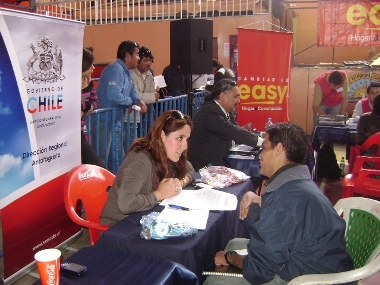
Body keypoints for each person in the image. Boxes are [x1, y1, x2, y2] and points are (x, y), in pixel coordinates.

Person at [204, 122, 353, 285]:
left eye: (265, 147)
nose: (260, 155)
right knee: (234, 242)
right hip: (317, 265)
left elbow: (258, 271)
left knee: (213, 281)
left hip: (307, 279)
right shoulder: (297, 185)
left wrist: (229, 257)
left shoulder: (286, 200)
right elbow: (271, 231)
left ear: (279, 149)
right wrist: (252, 198)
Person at [100, 110, 196, 226]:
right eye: (180, 138)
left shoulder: (170, 154)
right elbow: (126, 204)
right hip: (118, 226)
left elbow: (190, 170)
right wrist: (160, 193)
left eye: (187, 139)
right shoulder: (140, 160)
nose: (185, 146)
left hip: (145, 219)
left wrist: (179, 183)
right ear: (162, 136)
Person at [188, 79, 263, 171]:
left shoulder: (226, 110)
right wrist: (262, 142)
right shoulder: (209, 112)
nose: (238, 100)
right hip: (203, 169)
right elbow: (232, 131)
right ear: (223, 95)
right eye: (236, 97)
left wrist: (259, 136)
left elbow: (235, 130)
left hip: (220, 162)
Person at [96, 40, 148, 168]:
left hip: (115, 122)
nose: (139, 58)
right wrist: (130, 101)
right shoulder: (116, 70)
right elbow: (114, 95)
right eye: (136, 54)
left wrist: (138, 100)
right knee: (103, 159)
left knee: (116, 158)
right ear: (127, 56)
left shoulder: (126, 72)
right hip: (104, 121)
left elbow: (132, 92)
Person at [125, 46, 159, 149]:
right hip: (133, 113)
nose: (148, 63)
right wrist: (152, 97)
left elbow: (150, 92)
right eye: (145, 60)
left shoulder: (149, 74)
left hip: (146, 112)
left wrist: (151, 96)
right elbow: (136, 95)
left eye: (150, 60)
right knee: (132, 144)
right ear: (138, 61)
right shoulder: (130, 74)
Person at [80, 48, 106, 168]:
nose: (93, 67)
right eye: (90, 64)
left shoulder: (88, 82)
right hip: (69, 134)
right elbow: (71, 104)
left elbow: (95, 101)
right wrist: (87, 106)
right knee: (98, 165)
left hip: (79, 132)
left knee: (98, 165)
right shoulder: (68, 83)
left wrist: (87, 107)